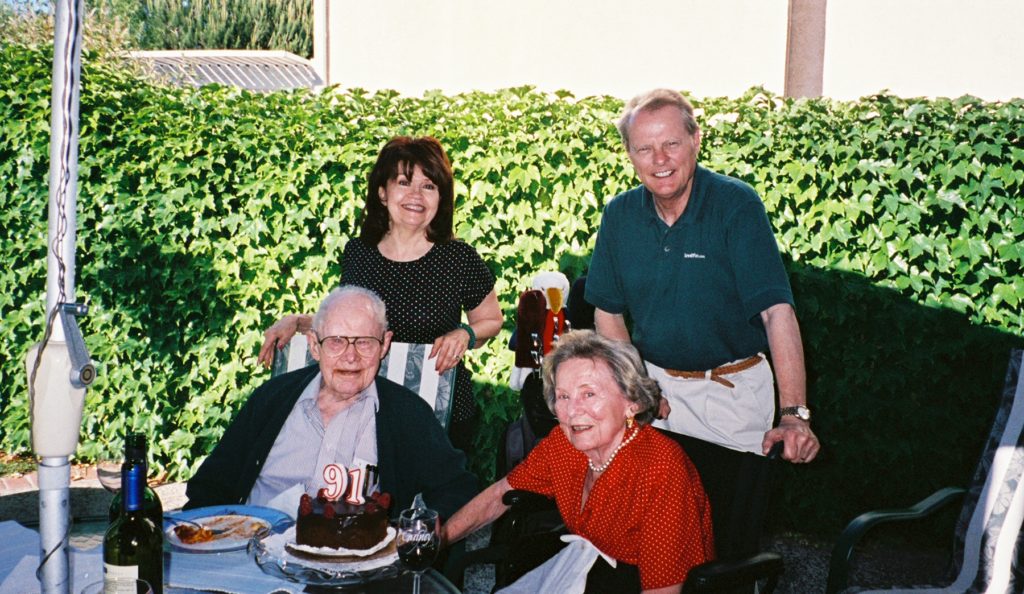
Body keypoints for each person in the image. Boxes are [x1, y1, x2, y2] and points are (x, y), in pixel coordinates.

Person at [585, 88, 820, 559]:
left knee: (725, 548)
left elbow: (778, 312)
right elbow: (607, 312)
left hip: (732, 397)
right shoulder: (620, 215)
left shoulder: (736, 206)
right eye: (644, 148)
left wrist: (794, 415)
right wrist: (639, 390)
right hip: (657, 398)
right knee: (647, 542)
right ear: (630, 155)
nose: (660, 160)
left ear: (696, 140)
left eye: (671, 143)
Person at [258, 136, 503, 453]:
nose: (416, 195)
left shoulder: (458, 258)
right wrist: (297, 322)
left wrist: (465, 334)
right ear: (383, 192)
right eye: (404, 182)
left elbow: (491, 320)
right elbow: (346, 326)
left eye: (429, 186)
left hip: (436, 411)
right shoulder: (359, 253)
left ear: (441, 197)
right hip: (363, 409)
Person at [443, 331, 714, 594]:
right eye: (563, 396)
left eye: (589, 394)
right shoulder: (563, 444)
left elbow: (664, 589)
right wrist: (437, 540)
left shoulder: (660, 468)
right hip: (584, 567)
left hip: (637, 581)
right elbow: (499, 495)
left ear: (631, 403)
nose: (573, 412)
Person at [185, 285, 479, 519]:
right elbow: (209, 486)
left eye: (364, 342)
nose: (350, 357)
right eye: (336, 341)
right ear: (314, 345)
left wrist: (416, 533)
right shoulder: (271, 399)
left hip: (351, 568)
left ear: (384, 345)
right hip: (255, 557)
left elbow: (456, 489)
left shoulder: (407, 414)